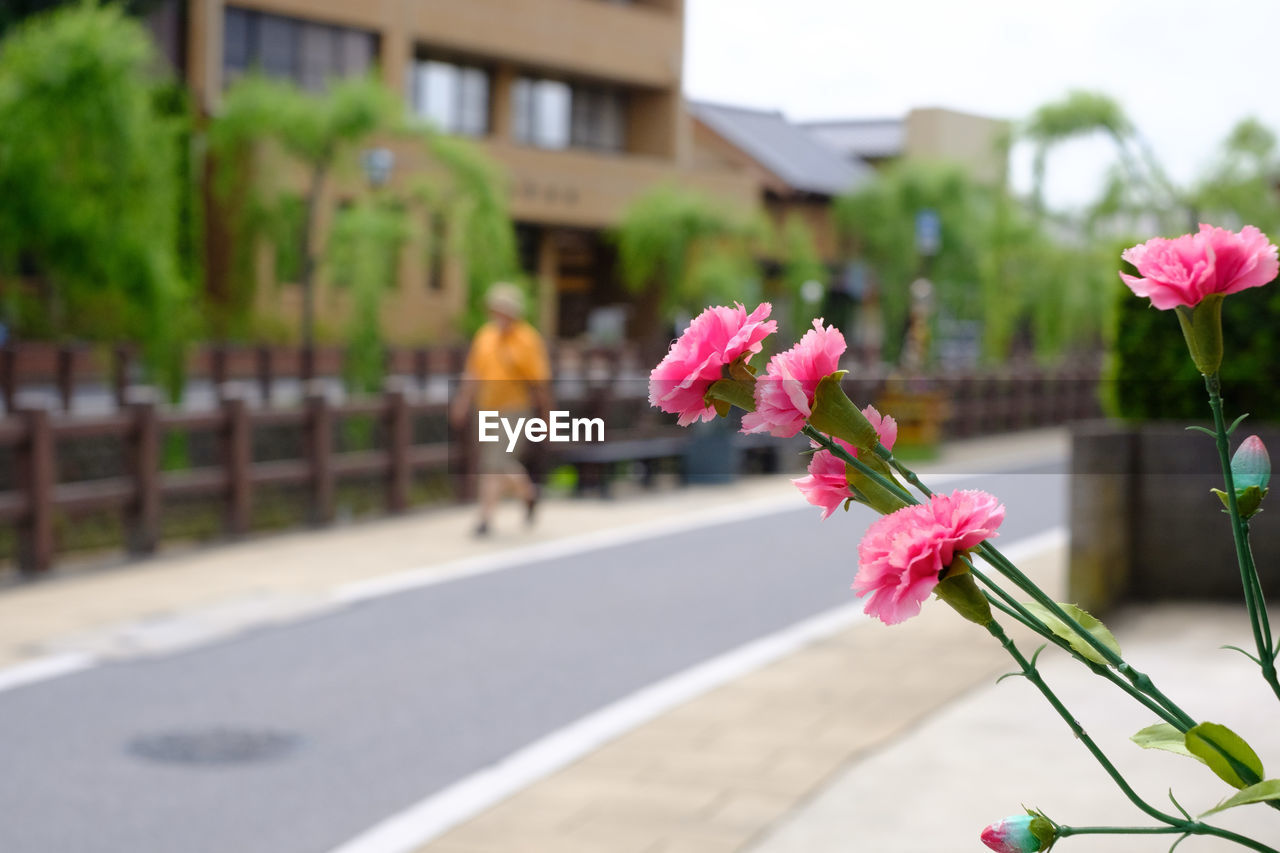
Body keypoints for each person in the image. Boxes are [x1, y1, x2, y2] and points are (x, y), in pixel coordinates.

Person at [450, 283, 551, 537]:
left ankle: (485, 518)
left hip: (515, 407)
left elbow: (539, 382)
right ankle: (528, 493)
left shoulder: (527, 339)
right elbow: (473, 372)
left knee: (495, 462)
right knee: (493, 462)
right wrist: (463, 401)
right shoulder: (485, 336)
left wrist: (547, 414)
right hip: (487, 407)